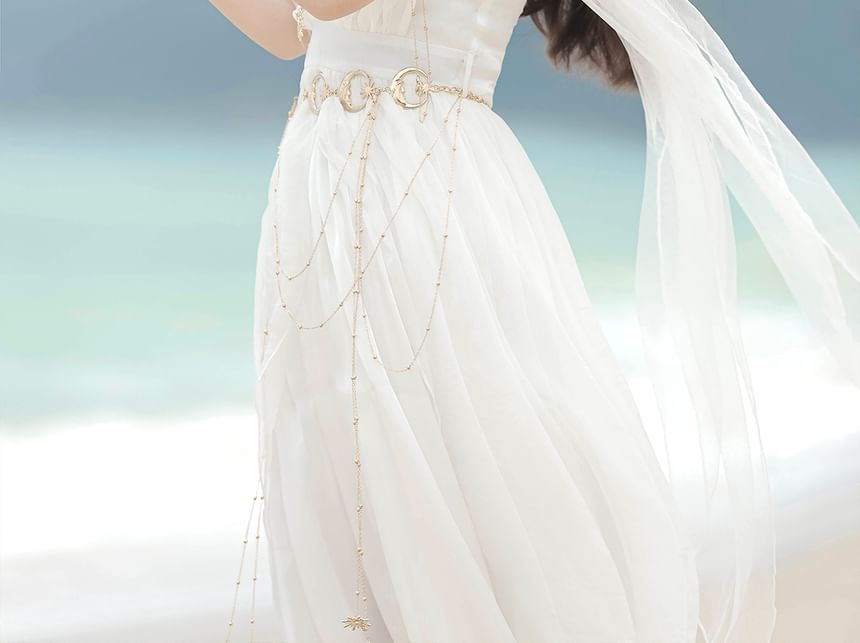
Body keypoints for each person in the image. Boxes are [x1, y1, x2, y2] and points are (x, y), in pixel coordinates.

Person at [209, 1, 860, 641]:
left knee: (438, 468)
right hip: (325, 181)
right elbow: (284, 30)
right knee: (338, 465)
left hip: (413, 188)